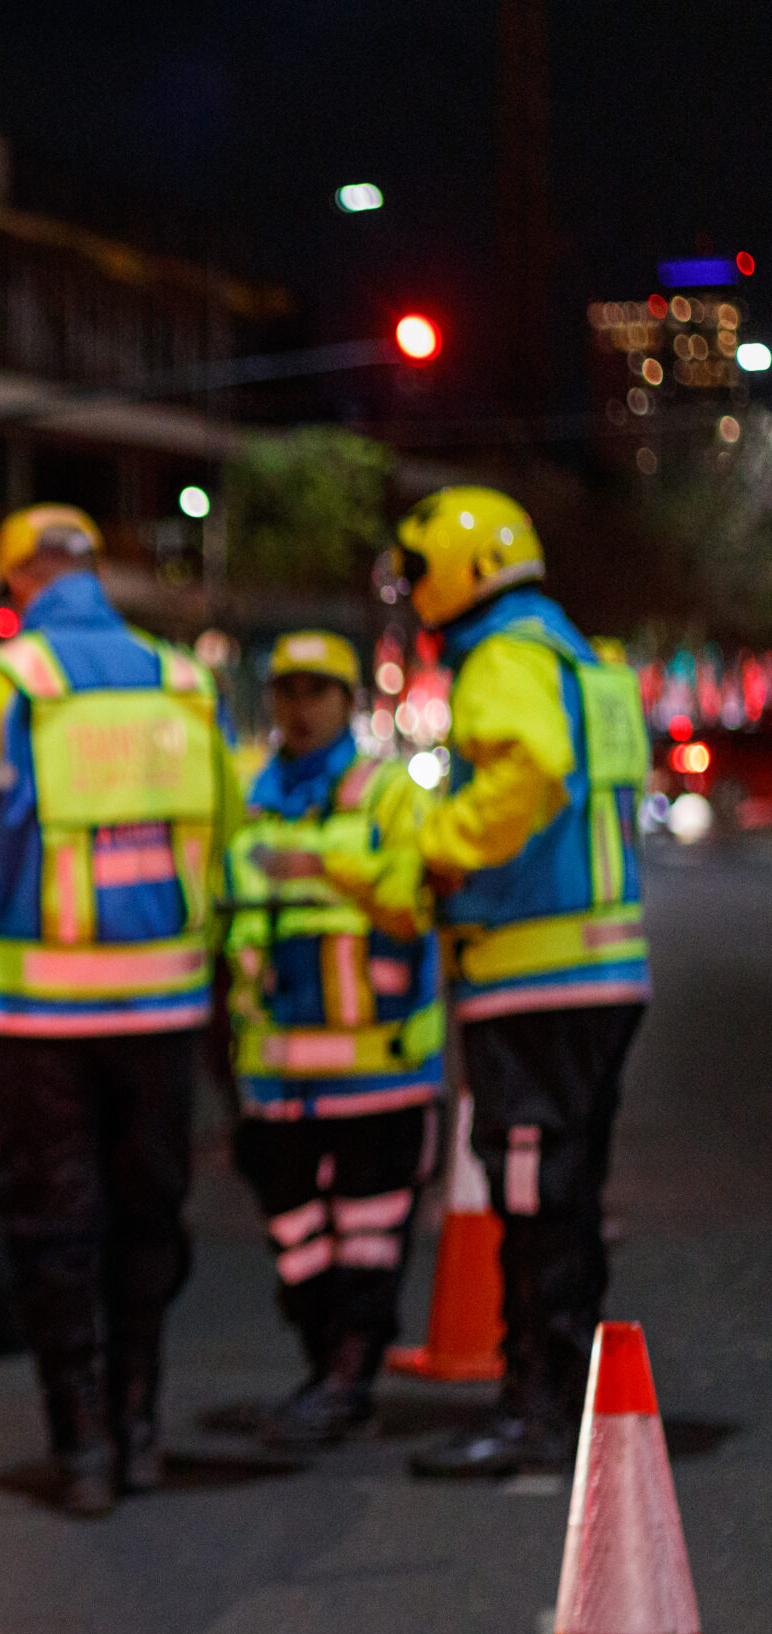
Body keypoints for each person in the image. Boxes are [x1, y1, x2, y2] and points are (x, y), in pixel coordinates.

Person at [0, 503, 240, 1517]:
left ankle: (83, 1442)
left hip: (34, 1012)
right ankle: (141, 1426)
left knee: (55, 1219)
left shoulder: (4, 680)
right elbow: (224, 823)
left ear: (18, 582)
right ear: (95, 570)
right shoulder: (185, 681)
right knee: (147, 1208)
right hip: (163, 1003)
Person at [375, 487, 649, 1478]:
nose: (410, 593)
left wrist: (440, 848)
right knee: (563, 1193)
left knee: (533, 1196)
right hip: (597, 973)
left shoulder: (502, 656)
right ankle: (564, 1398)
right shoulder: (578, 654)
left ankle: (537, 1409)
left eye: (414, 572)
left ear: (459, 568)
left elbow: (527, 771)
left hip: (534, 977)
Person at [221, 630, 443, 1447]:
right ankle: (326, 1368)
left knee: (368, 1235)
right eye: (287, 690)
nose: (300, 707)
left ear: (349, 703)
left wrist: (314, 867)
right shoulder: (249, 795)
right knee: (298, 1238)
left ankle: (348, 1377)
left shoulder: (386, 791)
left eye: (318, 691)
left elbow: (410, 900)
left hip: (378, 1067)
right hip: (276, 1071)